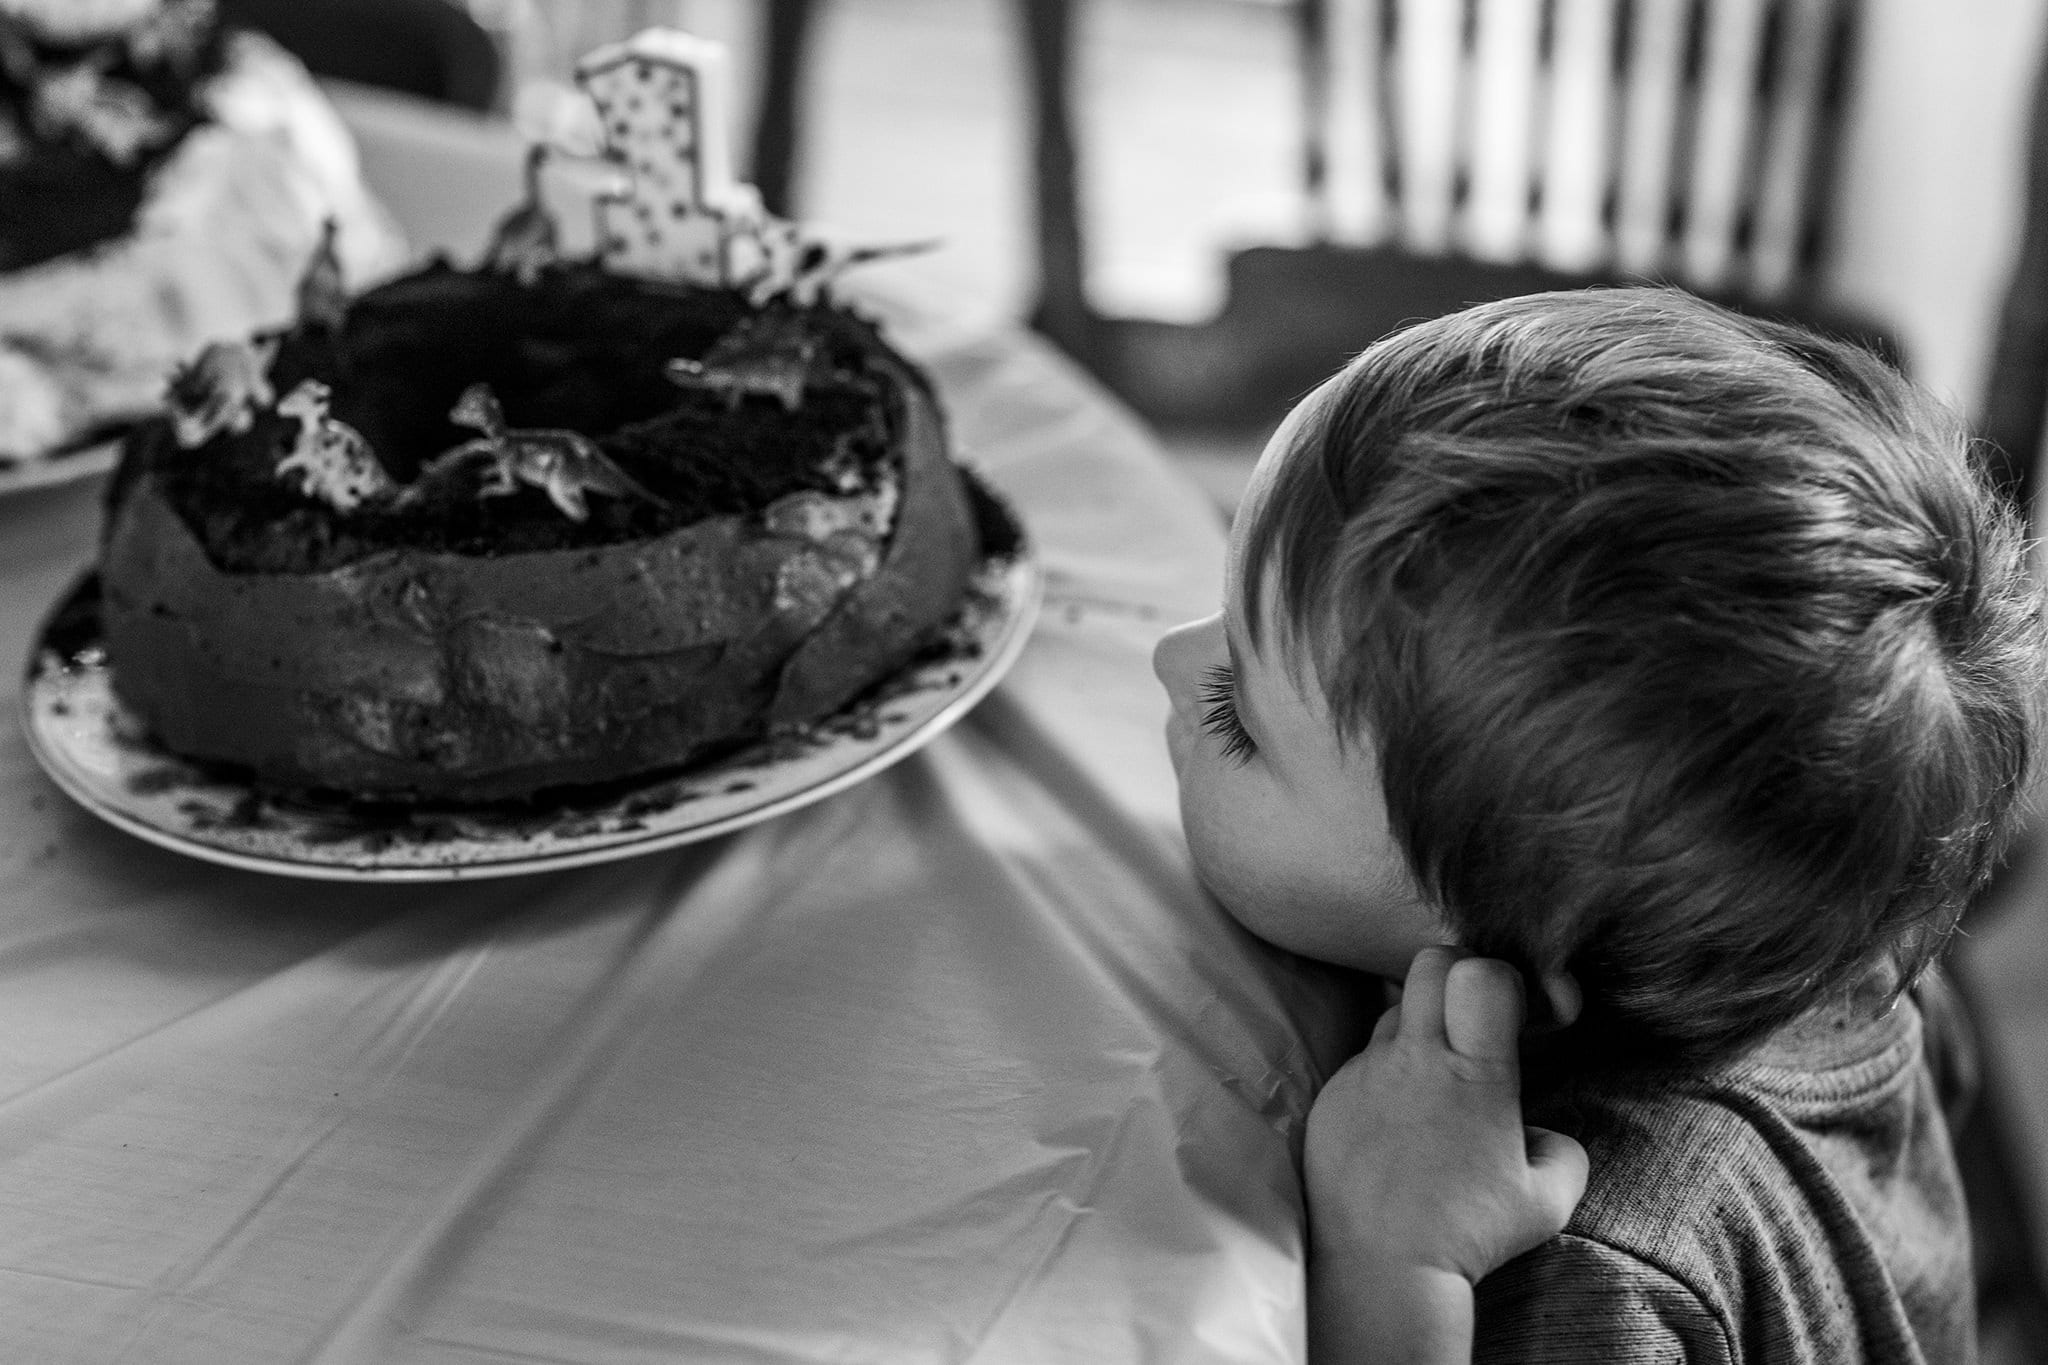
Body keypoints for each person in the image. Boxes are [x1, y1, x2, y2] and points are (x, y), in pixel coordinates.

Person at [1151, 287, 2045, 1362]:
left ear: (1510, 977)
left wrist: (1391, 1266)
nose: (1166, 656)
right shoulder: (1848, 960)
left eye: (1234, 715)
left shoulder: (1580, 1274)